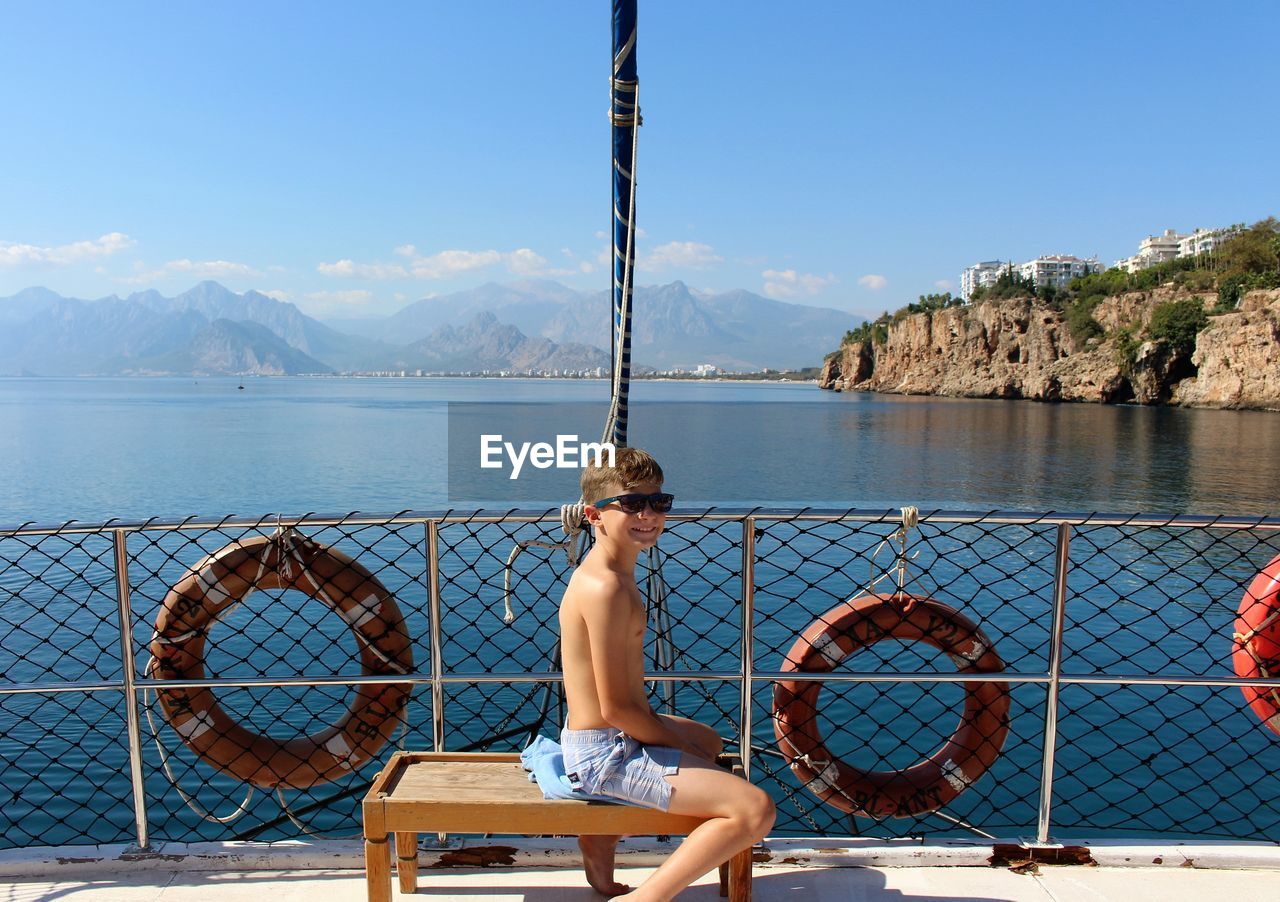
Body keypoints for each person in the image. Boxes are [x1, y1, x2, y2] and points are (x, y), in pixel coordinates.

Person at [558, 447, 775, 899]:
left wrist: (687, 745)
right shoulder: (608, 589)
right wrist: (677, 746)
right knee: (754, 809)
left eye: (659, 502)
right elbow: (615, 708)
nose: (649, 515)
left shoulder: (610, 572)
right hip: (603, 757)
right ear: (593, 515)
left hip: (600, 736)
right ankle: (646, 898)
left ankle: (599, 839)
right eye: (632, 504)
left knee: (710, 742)